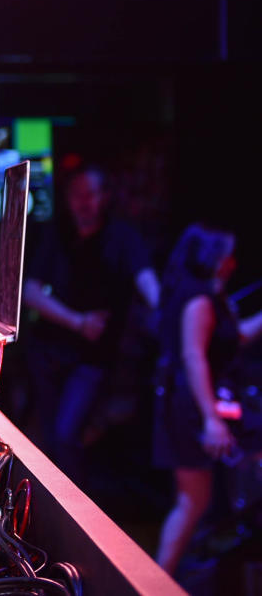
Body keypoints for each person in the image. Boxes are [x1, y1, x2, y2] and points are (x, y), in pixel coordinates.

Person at [21, 161, 160, 486]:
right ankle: (46, 517)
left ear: (105, 197)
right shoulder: (57, 233)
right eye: (77, 195)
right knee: (50, 441)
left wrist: (164, 310)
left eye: (91, 194)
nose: (84, 202)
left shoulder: (122, 236)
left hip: (92, 358)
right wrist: (78, 322)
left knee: (67, 435)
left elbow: (147, 280)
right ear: (68, 198)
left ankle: (76, 519)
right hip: (48, 352)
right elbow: (30, 292)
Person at [152, 223, 262, 576]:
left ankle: (163, 577)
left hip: (195, 404)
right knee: (192, 501)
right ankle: (154, 581)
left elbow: (235, 338)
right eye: (227, 255)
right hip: (189, 408)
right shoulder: (198, 299)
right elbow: (193, 357)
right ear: (213, 258)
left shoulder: (207, 295)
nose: (233, 262)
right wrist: (211, 420)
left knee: (194, 501)